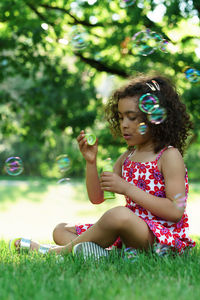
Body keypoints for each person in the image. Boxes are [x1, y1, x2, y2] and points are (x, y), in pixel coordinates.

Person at [10, 74, 196, 257]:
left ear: (154, 117)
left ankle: (53, 252)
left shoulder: (169, 156)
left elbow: (175, 211)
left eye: (131, 117)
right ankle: (103, 255)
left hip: (162, 239)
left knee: (119, 214)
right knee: (61, 230)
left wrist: (127, 189)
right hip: (128, 233)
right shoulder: (127, 157)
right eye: (121, 117)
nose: (124, 124)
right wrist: (91, 162)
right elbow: (97, 197)